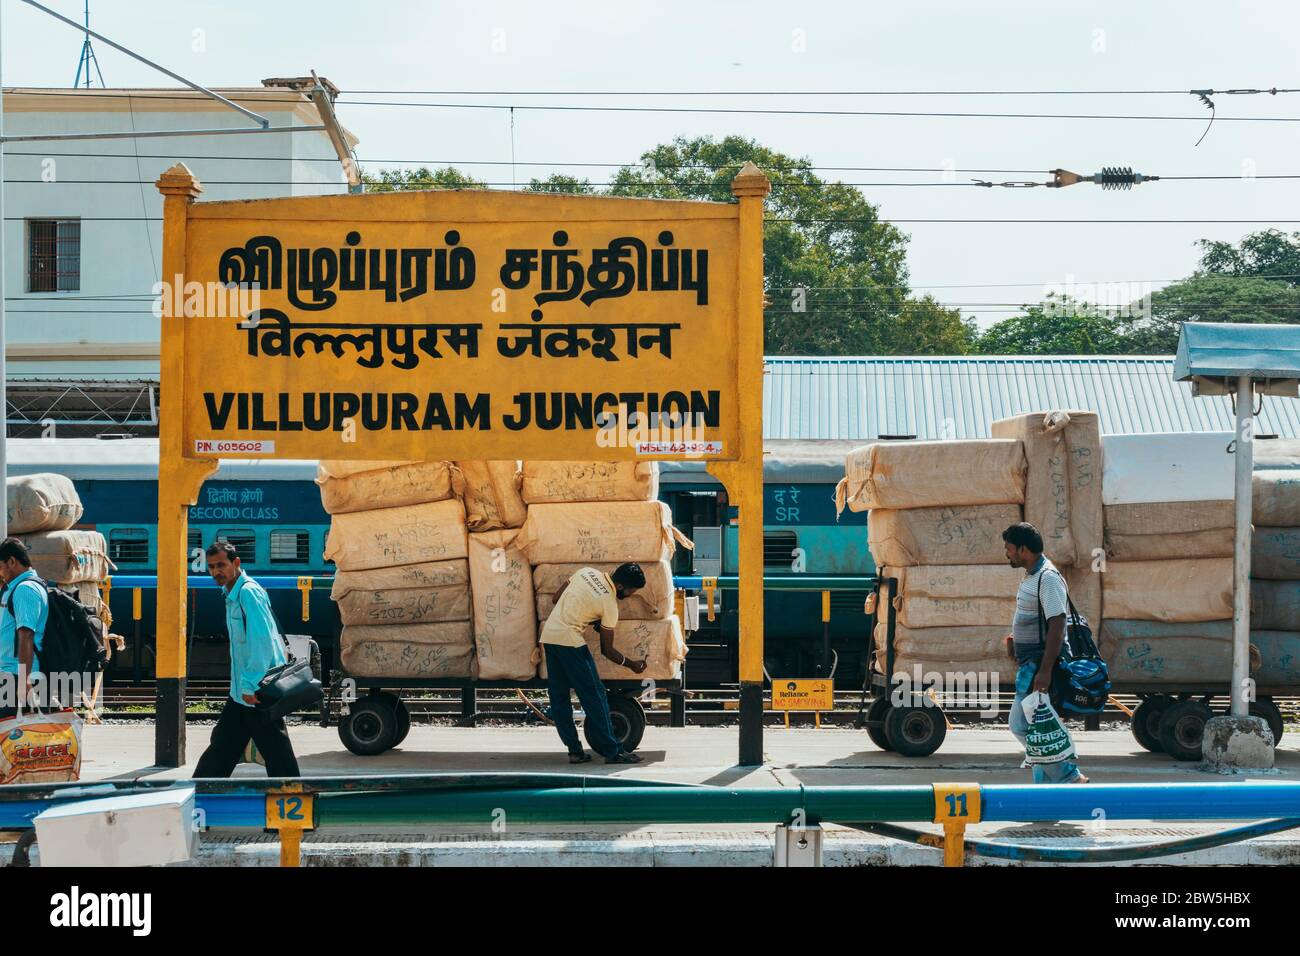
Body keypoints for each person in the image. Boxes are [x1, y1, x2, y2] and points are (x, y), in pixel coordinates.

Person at [193, 541, 300, 778]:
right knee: (223, 748)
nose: (216, 572)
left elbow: (261, 643)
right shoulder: (232, 594)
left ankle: (292, 793)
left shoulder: (248, 593)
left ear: (236, 563)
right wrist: (243, 687)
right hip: (242, 692)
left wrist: (251, 685)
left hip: (257, 689)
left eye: (221, 565)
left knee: (276, 751)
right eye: (211, 567)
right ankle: (202, 790)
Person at [1002, 522, 1089, 785]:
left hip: (1039, 665)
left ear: (1023, 550)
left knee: (1021, 725)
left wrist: (1045, 671)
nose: (1006, 553)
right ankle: (1044, 794)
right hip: (1030, 663)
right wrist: (1017, 640)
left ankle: (1069, 776)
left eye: (1009, 548)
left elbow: (1057, 624)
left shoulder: (1047, 578)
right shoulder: (1032, 575)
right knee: (1036, 729)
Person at [541, 563, 648, 764]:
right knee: (595, 697)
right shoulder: (609, 605)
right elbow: (607, 650)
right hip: (571, 643)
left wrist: (589, 616)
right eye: (632, 591)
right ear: (621, 586)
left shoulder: (586, 572)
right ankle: (614, 752)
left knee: (560, 699)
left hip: (549, 637)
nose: (631, 595)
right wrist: (631, 664)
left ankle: (575, 751)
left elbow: (556, 599)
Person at [0, 538, 48, 719]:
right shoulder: (17, 588)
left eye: (0, 567)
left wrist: (24, 680)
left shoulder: (25, 589)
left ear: (12, 561)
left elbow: (26, 635)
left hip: (15, 677)